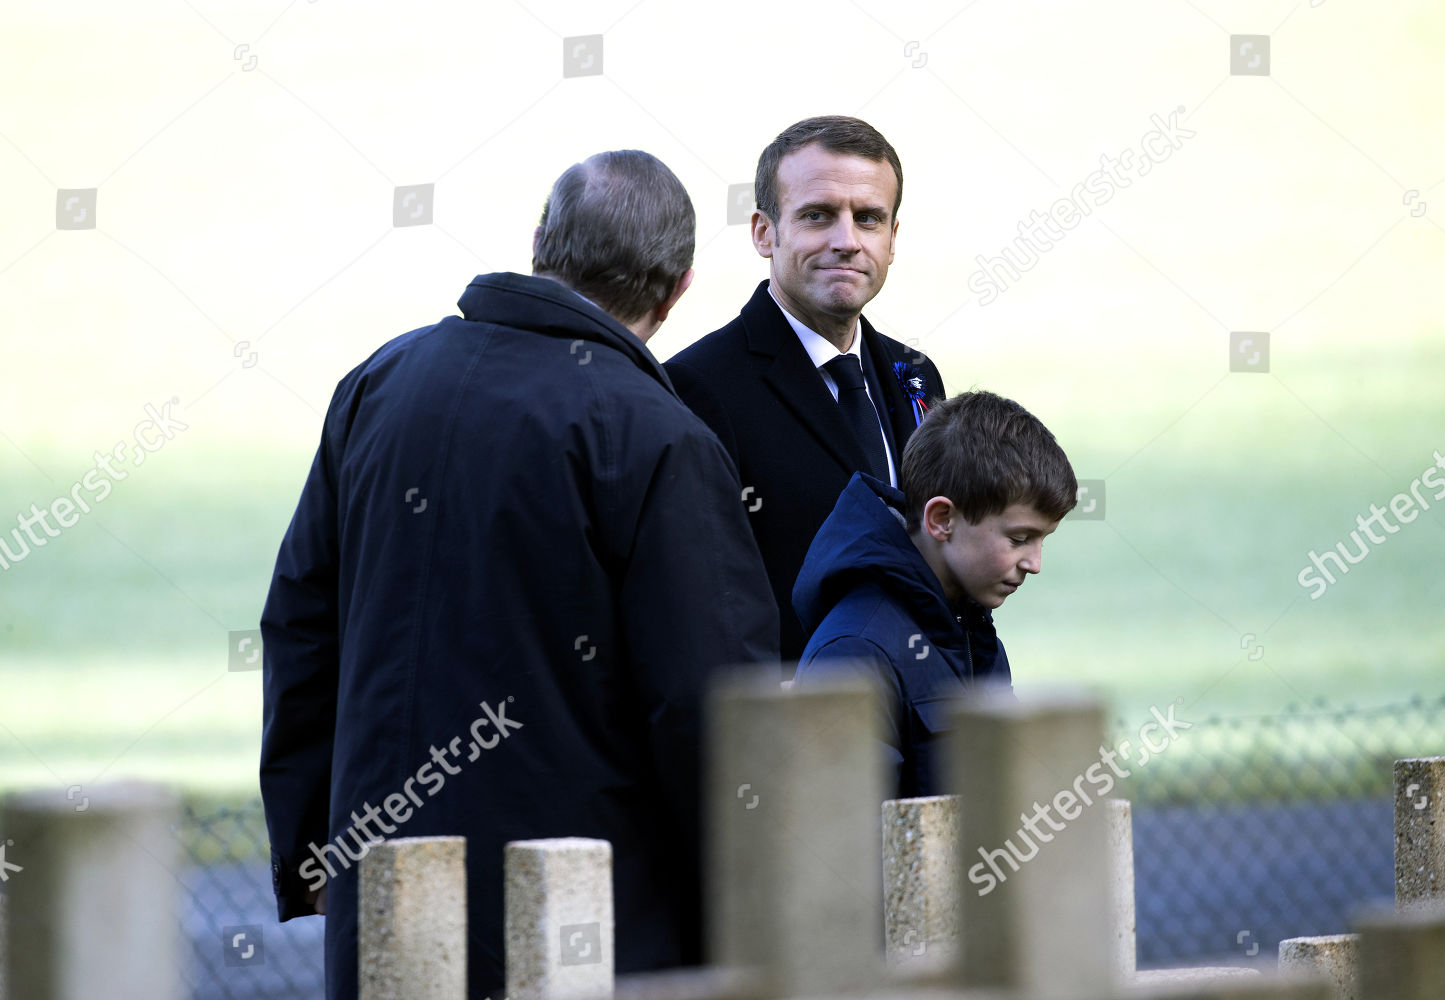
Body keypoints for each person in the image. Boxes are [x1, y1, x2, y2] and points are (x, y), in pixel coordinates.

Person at [259, 150, 778, 1000]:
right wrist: (746, 901)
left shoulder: (379, 383)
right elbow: (707, 703)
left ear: (540, 239)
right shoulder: (658, 436)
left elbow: (299, 627)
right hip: (583, 926)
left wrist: (313, 846)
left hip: (385, 902)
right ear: (679, 287)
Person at [665, 115, 945, 666]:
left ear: (893, 239)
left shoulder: (915, 374)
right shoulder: (697, 387)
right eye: (818, 216)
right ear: (763, 232)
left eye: (869, 219)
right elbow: (691, 593)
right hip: (788, 725)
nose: (847, 241)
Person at [792, 392, 1077, 797]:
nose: (1035, 563)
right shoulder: (853, 654)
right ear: (942, 519)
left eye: (1043, 540)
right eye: (1019, 538)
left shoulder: (971, 629)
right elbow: (849, 843)